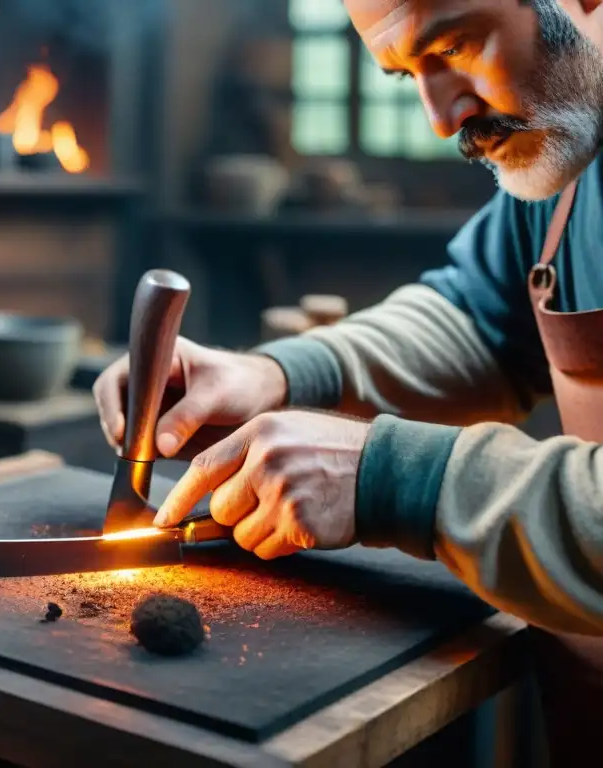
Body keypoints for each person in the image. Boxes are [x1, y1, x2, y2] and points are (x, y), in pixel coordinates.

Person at [93, 1, 603, 764]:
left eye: (457, 45)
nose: (439, 117)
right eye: (407, 74)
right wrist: (277, 376)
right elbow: (477, 320)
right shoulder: (569, 150)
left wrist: (392, 476)